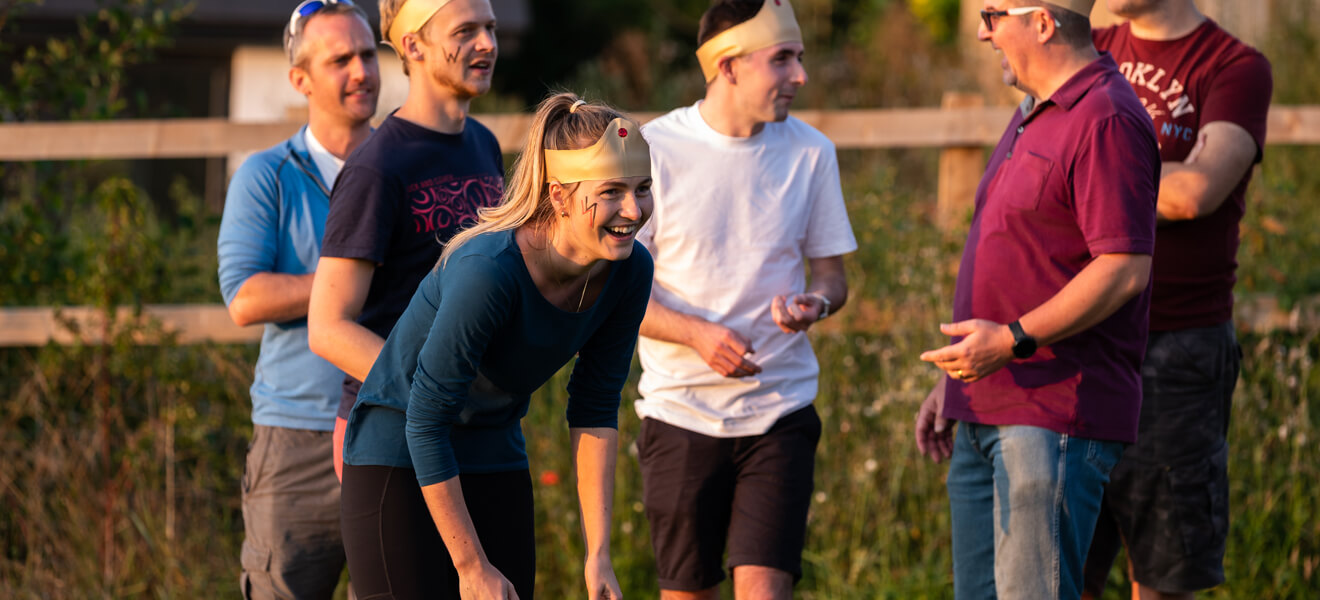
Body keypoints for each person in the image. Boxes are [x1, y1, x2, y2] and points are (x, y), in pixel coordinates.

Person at [337, 92, 652, 600]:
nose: (633, 210)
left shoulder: (630, 269)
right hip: (398, 452)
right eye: (612, 191)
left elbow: (595, 406)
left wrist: (599, 555)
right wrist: (471, 565)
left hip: (492, 447)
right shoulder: (490, 271)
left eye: (643, 188)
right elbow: (425, 418)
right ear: (559, 195)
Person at [913, 1, 1161, 598]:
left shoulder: (1105, 117)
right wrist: (952, 381)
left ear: (1044, 22)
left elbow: (1124, 267)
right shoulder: (1033, 112)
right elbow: (1018, 256)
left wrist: (1013, 339)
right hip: (985, 404)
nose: (980, 31)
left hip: (1052, 416)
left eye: (994, 14)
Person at [633, 1, 856, 598]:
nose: (800, 76)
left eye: (801, 59)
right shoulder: (653, 150)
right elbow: (615, 292)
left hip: (781, 412)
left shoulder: (812, 152)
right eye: (782, 59)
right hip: (679, 413)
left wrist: (819, 303)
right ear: (727, 65)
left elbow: (833, 276)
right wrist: (695, 335)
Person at [1083, 2, 1273, 598]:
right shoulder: (1086, 46)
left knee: (1163, 577)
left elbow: (1197, 191)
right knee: (1065, 567)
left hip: (1176, 348)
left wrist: (1086, 177)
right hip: (1083, 334)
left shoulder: (1234, 66)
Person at [216, 1, 379, 598]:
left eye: (367, 54)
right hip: (296, 439)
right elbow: (244, 297)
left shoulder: (403, 168)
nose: (362, 70)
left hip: (390, 425)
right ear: (300, 80)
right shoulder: (267, 175)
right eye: (341, 60)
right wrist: (350, 281)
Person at [307, 0, 504, 481]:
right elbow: (328, 327)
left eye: (491, 28)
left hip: (480, 428)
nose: (487, 44)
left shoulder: (484, 144)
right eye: (466, 31)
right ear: (413, 44)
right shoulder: (377, 166)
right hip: (391, 431)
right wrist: (437, 388)